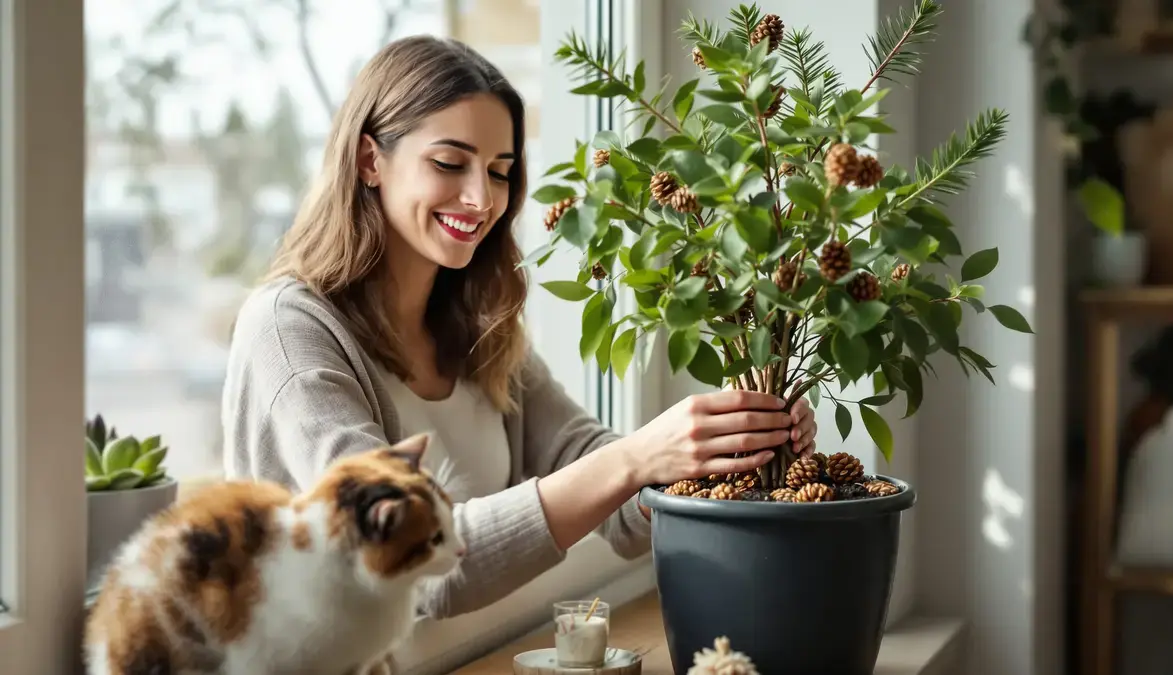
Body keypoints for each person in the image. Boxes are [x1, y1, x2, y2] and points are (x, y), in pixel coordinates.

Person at [221, 35, 817, 621]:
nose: (481, 198)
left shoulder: (479, 325)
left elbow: (615, 508)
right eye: (450, 163)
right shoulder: (289, 330)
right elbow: (418, 569)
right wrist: (638, 457)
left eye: (501, 172)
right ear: (369, 160)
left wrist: (722, 452)